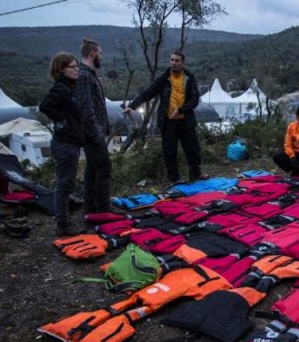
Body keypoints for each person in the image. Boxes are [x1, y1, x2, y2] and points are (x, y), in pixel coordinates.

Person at [123, 51, 204, 183]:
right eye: (172, 60)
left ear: (183, 62)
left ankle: (196, 174)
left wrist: (181, 109)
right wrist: (132, 106)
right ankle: (175, 179)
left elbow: (195, 99)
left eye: (177, 61)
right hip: (168, 121)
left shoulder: (189, 78)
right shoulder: (164, 79)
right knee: (169, 151)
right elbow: (148, 93)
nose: (174, 63)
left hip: (186, 120)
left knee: (193, 148)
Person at [39, 52, 85, 236]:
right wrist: (62, 120)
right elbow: (45, 106)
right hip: (65, 144)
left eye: (77, 66)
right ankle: (63, 224)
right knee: (64, 183)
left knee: (67, 182)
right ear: (61, 69)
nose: (77, 70)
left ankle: (64, 220)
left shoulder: (70, 87)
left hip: (71, 142)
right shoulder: (61, 88)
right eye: (73, 67)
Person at [76, 38, 112, 214]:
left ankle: (90, 206)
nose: (102, 57)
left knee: (92, 169)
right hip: (92, 134)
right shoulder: (83, 76)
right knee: (104, 168)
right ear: (92, 54)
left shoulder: (89, 74)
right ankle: (103, 208)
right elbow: (86, 109)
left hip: (94, 132)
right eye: (100, 53)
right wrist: (97, 133)